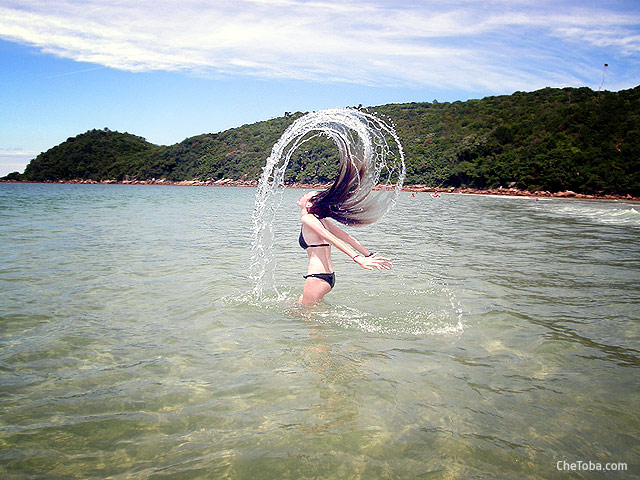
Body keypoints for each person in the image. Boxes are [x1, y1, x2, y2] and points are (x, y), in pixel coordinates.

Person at [297, 191, 392, 305]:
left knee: (309, 318)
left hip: (317, 277)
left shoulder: (307, 219)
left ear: (309, 204)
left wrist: (357, 258)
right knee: (297, 306)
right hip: (326, 277)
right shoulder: (322, 221)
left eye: (307, 195)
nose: (303, 194)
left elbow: (332, 238)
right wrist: (368, 255)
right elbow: (349, 239)